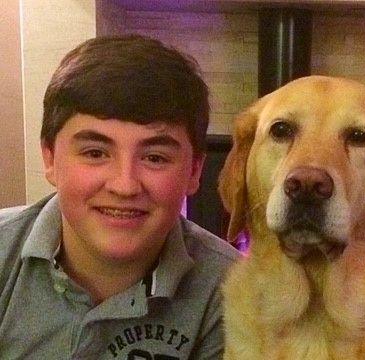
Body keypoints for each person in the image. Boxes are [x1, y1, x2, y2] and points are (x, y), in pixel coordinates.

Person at [0, 35, 239, 359]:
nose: (125, 186)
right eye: (95, 152)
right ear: (50, 159)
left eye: (155, 158)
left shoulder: (232, 291)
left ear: (195, 171)